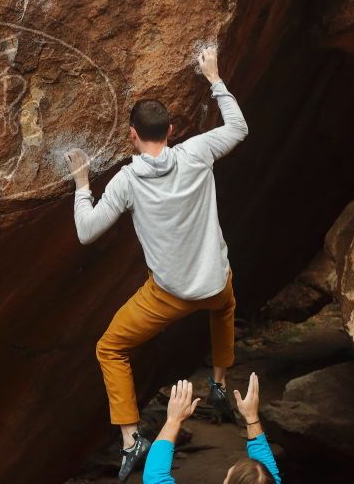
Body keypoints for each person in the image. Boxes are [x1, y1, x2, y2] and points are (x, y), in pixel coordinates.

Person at [64, 47, 248, 480]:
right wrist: (214, 77)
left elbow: (86, 231)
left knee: (110, 348)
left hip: (166, 296)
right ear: (170, 130)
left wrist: (81, 184)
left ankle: (131, 439)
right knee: (224, 306)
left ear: (131, 135)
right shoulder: (196, 152)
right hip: (213, 284)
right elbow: (239, 127)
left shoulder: (127, 180)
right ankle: (219, 384)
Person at [143, 373, 281, 483]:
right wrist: (251, 417)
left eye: (227, 477)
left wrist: (173, 420)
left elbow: (155, 477)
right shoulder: (268, 480)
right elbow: (263, 475)